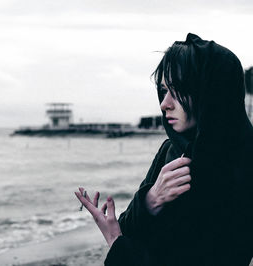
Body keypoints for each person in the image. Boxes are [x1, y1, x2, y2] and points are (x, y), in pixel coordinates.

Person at [75, 33, 253, 265]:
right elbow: (129, 228)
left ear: (211, 92)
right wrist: (150, 199)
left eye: (177, 90)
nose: (164, 103)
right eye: (163, 90)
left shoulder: (243, 163)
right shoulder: (171, 151)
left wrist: (116, 244)